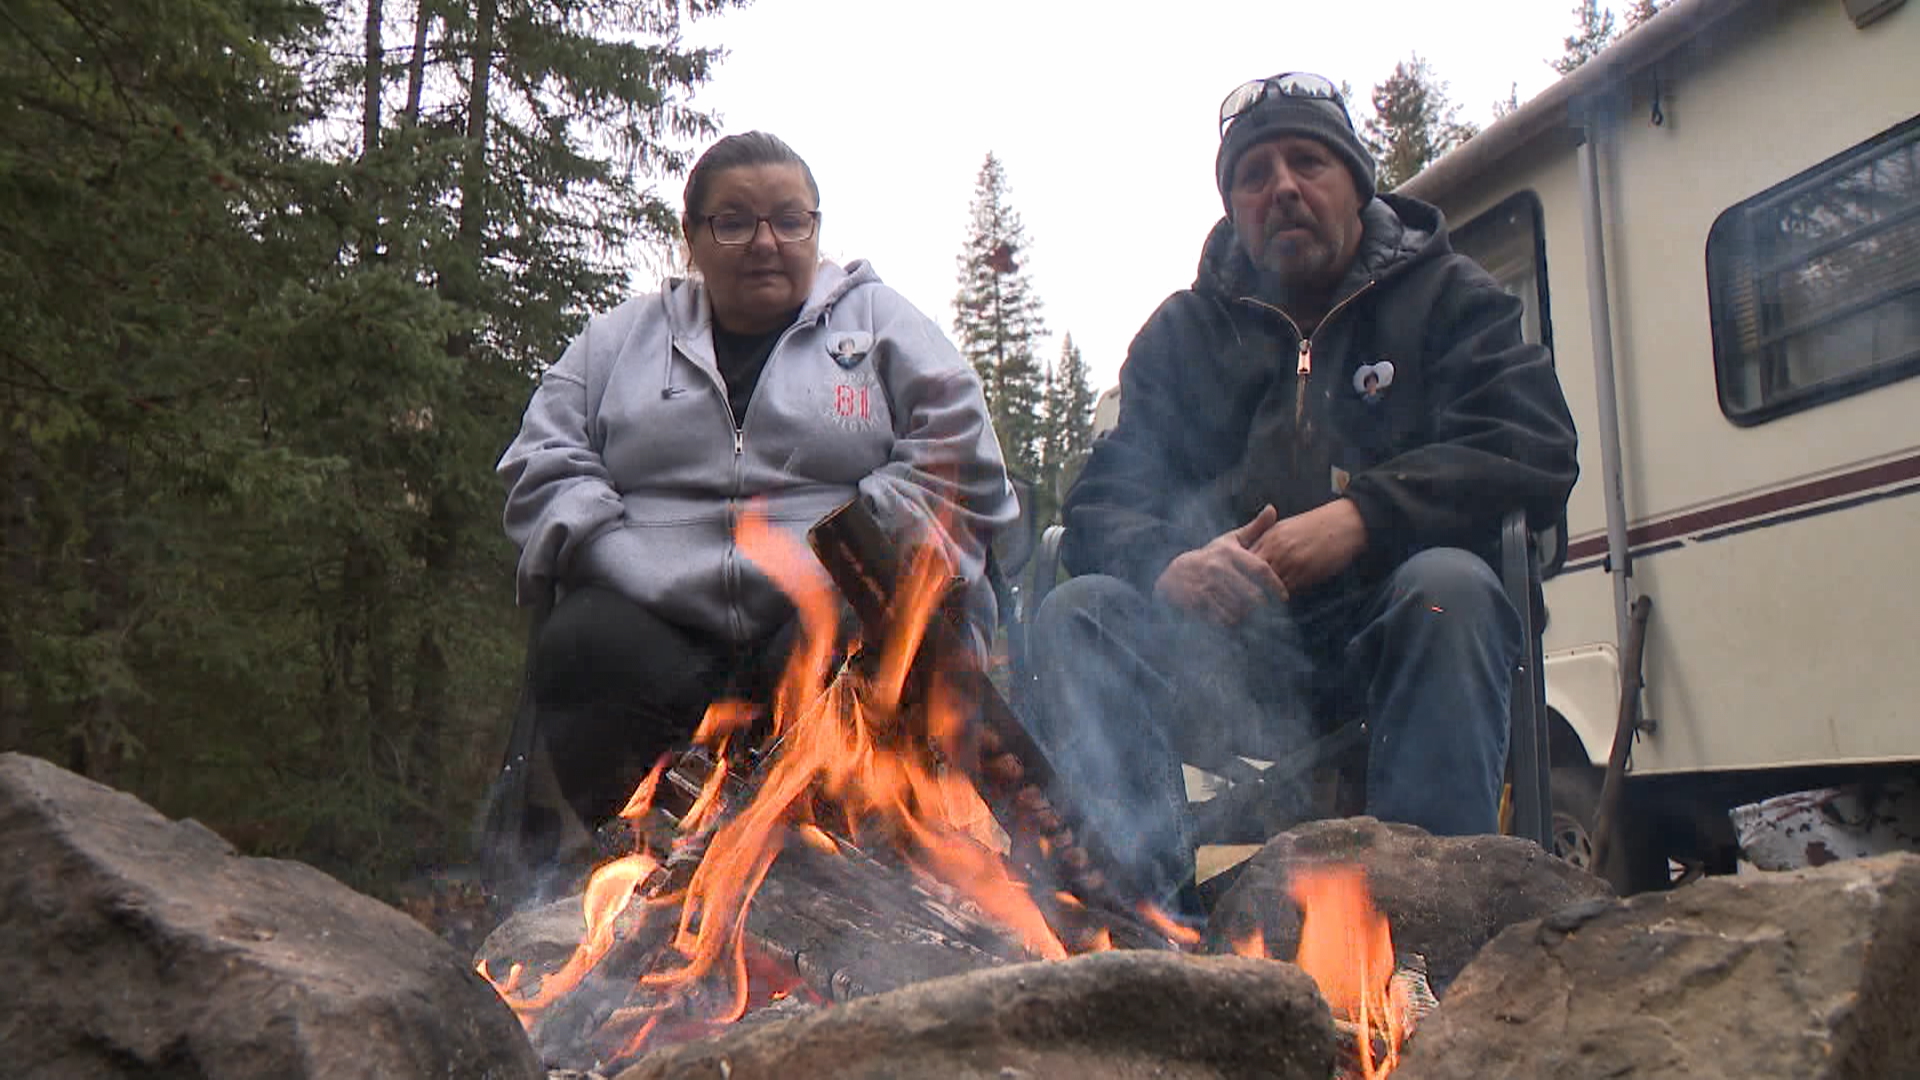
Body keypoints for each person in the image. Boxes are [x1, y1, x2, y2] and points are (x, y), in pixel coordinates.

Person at [1024, 73, 1579, 917]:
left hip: (1391, 639)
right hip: (1224, 655)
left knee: (1450, 589)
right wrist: (1170, 564)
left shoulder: (1449, 297)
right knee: (1082, 613)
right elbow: (1102, 498)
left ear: (1357, 183)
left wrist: (1364, 517)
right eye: (1254, 174)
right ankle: (1148, 928)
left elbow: (1532, 441)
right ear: (1233, 208)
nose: (1281, 187)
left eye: (1307, 162)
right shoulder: (1185, 335)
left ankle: (1430, 927)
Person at [496, 131, 1017, 857]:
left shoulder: (881, 325)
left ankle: (834, 869)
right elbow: (542, 460)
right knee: (582, 645)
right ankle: (657, 866)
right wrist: (619, 554)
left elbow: (961, 456)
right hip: (661, 631)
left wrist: (853, 544)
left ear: (815, 230)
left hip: (828, 619)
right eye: (734, 222)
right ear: (692, 239)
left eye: (789, 220)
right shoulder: (618, 343)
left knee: (878, 641)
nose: (765, 242)